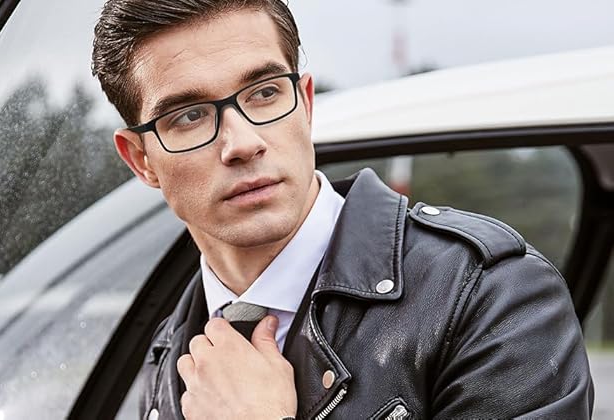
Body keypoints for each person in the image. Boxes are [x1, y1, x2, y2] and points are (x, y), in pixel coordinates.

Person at [91, 1, 594, 418]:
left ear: (305, 103)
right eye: (189, 116)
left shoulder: (487, 296)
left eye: (265, 93)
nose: (242, 143)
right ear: (141, 160)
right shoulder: (170, 349)